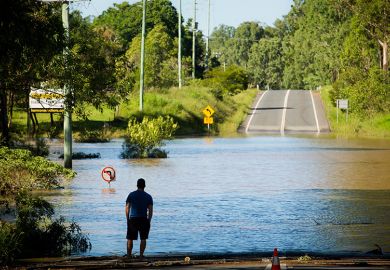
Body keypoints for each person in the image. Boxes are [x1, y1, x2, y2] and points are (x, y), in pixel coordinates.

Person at [125, 178, 153, 259]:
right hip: (144, 219)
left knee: (130, 238)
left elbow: (127, 208)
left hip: (133, 219)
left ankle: (129, 256)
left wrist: (127, 219)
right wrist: (149, 220)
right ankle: (141, 256)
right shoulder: (148, 196)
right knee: (143, 238)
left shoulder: (131, 195)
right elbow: (150, 211)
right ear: (144, 186)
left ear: (137, 185)